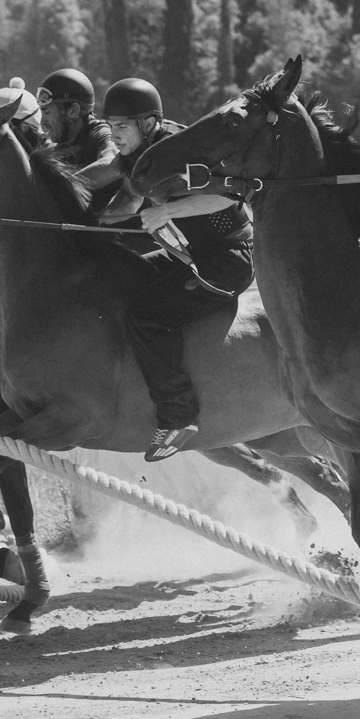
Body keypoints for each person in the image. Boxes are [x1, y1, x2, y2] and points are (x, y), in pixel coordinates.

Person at [79, 78, 255, 462]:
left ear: (148, 124)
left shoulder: (181, 153)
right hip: (192, 256)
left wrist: (169, 210)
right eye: (110, 126)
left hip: (227, 262)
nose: (114, 135)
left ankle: (178, 416)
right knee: (128, 278)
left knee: (147, 317)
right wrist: (63, 198)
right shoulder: (137, 153)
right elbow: (114, 183)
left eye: (122, 127)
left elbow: (228, 196)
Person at [36, 68, 118, 168]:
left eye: (47, 112)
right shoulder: (61, 149)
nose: (42, 122)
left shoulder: (100, 134)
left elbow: (113, 163)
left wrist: (67, 183)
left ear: (73, 111)